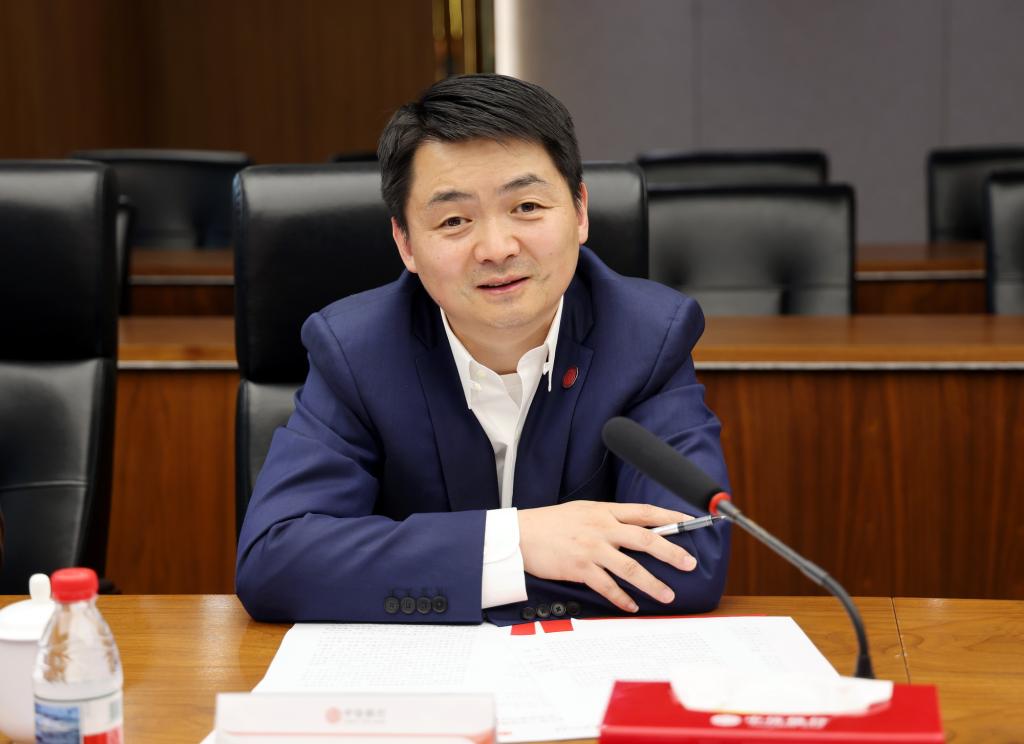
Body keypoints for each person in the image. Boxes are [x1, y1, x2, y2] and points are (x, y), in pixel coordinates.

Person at [236, 74, 730, 625]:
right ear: (405, 243)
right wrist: (515, 542)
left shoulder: (648, 337)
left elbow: (689, 559)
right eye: (454, 220)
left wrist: (446, 573)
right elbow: (276, 561)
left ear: (579, 211)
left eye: (527, 206)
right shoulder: (356, 351)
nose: (496, 248)